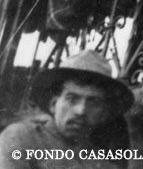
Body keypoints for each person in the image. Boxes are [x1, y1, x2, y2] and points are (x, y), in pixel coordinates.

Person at [0, 50, 135, 169]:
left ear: (104, 113)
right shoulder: (22, 138)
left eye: (93, 102)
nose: (81, 111)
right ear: (54, 104)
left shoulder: (102, 164)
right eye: (72, 99)